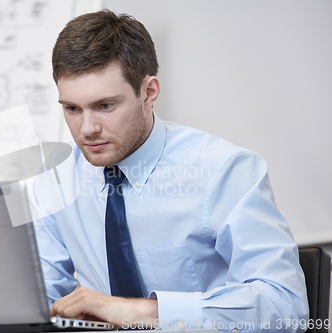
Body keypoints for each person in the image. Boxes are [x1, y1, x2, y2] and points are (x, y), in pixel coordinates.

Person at [31, 9, 308, 332]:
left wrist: (143, 312)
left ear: (148, 92)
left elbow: (285, 305)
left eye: (105, 106)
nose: (87, 129)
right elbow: (39, 298)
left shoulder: (224, 171)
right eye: (72, 109)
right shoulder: (55, 179)